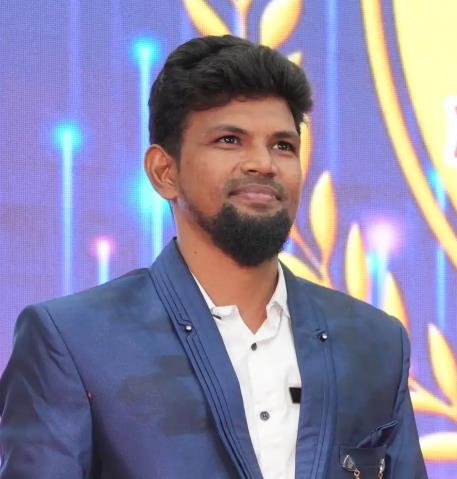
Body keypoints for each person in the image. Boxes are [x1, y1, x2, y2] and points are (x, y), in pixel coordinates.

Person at [0, 35, 427, 479]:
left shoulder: (375, 344)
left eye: (282, 145)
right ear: (164, 172)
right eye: (230, 139)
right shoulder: (75, 340)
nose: (263, 163)